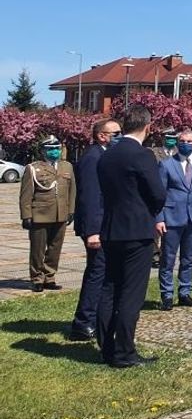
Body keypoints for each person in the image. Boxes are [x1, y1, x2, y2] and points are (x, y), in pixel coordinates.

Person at [97, 104, 167, 368]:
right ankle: (125, 352)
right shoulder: (142, 155)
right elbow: (158, 193)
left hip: (112, 228)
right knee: (132, 293)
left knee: (110, 288)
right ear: (147, 127)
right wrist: (150, 210)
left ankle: (106, 347)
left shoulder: (107, 155)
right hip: (137, 231)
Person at [68, 118, 120, 340]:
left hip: (105, 225)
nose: (119, 136)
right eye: (115, 133)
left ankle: (97, 317)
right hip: (95, 228)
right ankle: (84, 322)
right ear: (102, 136)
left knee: (104, 272)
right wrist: (92, 232)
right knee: (97, 273)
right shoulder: (92, 157)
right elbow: (90, 197)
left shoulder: (104, 155)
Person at [155, 129, 192, 310]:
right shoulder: (166, 165)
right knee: (168, 259)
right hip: (172, 218)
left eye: (189, 141)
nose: (185, 144)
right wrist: (160, 218)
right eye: (182, 141)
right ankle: (167, 295)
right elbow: (160, 194)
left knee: (188, 258)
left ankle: (185, 292)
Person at [18, 135, 76, 292]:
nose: (54, 152)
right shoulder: (33, 168)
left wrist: (71, 210)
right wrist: (26, 215)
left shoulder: (67, 167)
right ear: (43, 151)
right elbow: (26, 194)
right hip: (40, 214)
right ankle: (37, 277)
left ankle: (49, 276)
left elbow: (72, 191)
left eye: (56, 149)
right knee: (37, 249)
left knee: (55, 247)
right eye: (50, 149)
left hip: (61, 214)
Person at [149, 127, 178, 267]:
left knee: (171, 228)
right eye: (168, 136)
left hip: (174, 196)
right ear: (163, 137)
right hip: (158, 194)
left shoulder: (179, 152)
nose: (172, 139)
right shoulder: (154, 153)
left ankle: (167, 255)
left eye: (174, 136)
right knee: (156, 227)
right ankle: (154, 256)